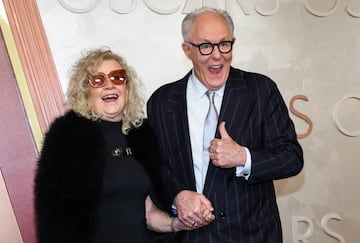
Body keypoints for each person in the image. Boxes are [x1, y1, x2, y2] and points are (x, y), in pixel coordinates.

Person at [147, 7, 304, 243]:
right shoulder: (162, 101)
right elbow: (157, 166)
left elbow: (292, 158)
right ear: (187, 49)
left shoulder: (260, 90)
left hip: (252, 236)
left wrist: (244, 157)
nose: (217, 55)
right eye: (206, 46)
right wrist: (177, 196)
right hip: (190, 237)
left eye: (224, 44)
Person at [34, 47, 213, 243]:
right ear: (86, 90)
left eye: (117, 78)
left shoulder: (141, 135)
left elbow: (147, 212)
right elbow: (54, 217)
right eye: (98, 80)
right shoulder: (69, 137)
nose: (110, 85)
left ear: (126, 88)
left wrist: (176, 224)